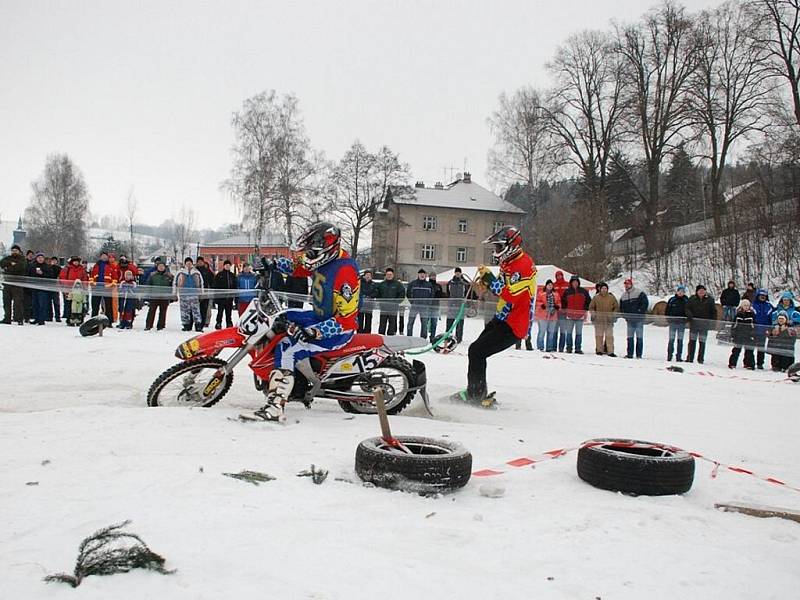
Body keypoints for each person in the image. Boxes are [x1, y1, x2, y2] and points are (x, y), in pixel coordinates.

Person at [254, 222, 360, 422]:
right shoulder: (322, 260)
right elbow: (298, 266)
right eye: (308, 252)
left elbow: (345, 320)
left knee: (288, 347)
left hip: (336, 330)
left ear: (326, 249)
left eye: (312, 253)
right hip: (319, 316)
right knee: (280, 319)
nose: (308, 256)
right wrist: (272, 264)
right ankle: (292, 377)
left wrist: (314, 333)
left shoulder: (345, 272)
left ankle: (276, 405)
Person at [462, 226, 536, 407]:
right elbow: (502, 288)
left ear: (510, 246)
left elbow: (511, 294)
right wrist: (486, 282)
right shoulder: (509, 262)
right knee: (476, 352)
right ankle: (477, 391)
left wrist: (491, 281)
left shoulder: (523, 266)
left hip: (514, 324)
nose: (496, 251)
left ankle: (476, 396)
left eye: (498, 247)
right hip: (502, 317)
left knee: (477, 351)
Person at [685, 284, 716, 364]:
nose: (702, 292)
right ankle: (690, 358)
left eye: (703, 291)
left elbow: (713, 311)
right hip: (694, 323)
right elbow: (687, 308)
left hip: (704, 324)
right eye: (700, 291)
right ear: (697, 291)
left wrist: (713, 322)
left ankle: (701, 359)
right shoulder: (692, 298)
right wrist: (689, 315)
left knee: (702, 342)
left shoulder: (710, 299)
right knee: (692, 341)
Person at [619, 277, 649, 359]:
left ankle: (639, 354)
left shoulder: (639, 293)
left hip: (639, 319)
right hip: (629, 320)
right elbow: (621, 308)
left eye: (628, 284)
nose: (626, 285)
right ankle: (630, 354)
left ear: (631, 284)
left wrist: (640, 312)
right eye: (625, 284)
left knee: (639, 337)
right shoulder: (623, 296)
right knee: (630, 337)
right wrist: (625, 316)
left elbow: (645, 303)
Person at [561, 275, 591, 354]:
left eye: (576, 282)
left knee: (579, 333)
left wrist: (585, 309)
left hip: (580, 315)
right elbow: (563, 301)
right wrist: (565, 309)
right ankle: (569, 348)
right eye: (573, 282)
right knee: (569, 333)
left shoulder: (583, 291)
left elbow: (588, 301)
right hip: (569, 315)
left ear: (578, 283)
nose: (575, 283)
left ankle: (578, 348)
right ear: (571, 283)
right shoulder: (567, 291)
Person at [173, 257, 204, 332]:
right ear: (185, 263)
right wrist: (174, 293)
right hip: (183, 294)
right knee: (184, 310)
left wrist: (202, 293)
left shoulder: (196, 272)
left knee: (196, 310)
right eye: (187, 262)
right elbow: (175, 283)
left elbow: (201, 283)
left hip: (194, 294)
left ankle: (198, 325)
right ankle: (186, 325)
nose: (189, 264)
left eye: (190, 262)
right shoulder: (180, 272)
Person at [588, 282, 618, 357]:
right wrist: (594, 314)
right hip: (599, 320)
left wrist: (613, 315)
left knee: (609, 337)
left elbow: (616, 307)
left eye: (605, 288)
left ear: (607, 289)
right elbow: (591, 307)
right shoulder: (596, 297)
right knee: (599, 336)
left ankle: (610, 351)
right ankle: (599, 350)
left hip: (609, 320)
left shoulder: (612, 297)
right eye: (602, 288)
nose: (604, 290)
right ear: (600, 289)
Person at [1, 244, 27, 325]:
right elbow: (1, 263)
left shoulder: (22, 259)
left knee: (18, 303)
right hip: (7, 284)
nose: (14, 252)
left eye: (16, 250)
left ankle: (19, 319)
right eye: (13, 250)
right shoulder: (8, 258)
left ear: (19, 251)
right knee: (6, 302)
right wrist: (11, 264)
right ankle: (7, 318)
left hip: (18, 284)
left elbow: (20, 267)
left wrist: (8, 268)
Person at [89, 251, 118, 323]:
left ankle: (109, 321)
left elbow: (115, 276)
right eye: (102, 256)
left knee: (108, 306)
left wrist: (113, 284)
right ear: (100, 257)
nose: (104, 257)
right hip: (97, 288)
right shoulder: (96, 265)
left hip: (107, 288)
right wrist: (92, 283)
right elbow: (92, 275)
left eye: (105, 256)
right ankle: (93, 320)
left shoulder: (111, 266)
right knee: (95, 305)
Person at [375, 267, 405, 335]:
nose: (389, 276)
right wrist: (380, 301)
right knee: (382, 323)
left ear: (393, 275)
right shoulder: (382, 284)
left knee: (392, 324)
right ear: (385, 275)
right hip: (383, 307)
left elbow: (402, 294)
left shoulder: (398, 284)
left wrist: (396, 303)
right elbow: (378, 294)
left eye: (390, 274)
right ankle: (381, 336)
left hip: (393, 308)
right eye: (388, 274)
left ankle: (390, 336)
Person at [59, 256, 88, 324]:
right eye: (74, 261)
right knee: (69, 305)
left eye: (77, 261)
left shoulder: (82, 269)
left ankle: (79, 319)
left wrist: (84, 288)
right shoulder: (67, 269)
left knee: (80, 305)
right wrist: (66, 287)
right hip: (69, 290)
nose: (76, 262)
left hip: (79, 290)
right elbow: (62, 278)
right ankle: (69, 319)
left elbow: (84, 279)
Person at [406, 268, 434, 338]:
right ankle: (409, 337)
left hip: (424, 307)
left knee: (424, 324)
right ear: (418, 275)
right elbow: (408, 293)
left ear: (425, 275)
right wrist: (412, 301)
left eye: (423, 274)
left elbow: (432, 295)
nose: (422, 275)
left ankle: (423, 338)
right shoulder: (412, 283)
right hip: (414, 306)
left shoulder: (429, 285)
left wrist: (428, 303)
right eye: (420, 274)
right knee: (410, 322)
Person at [145, 261, 173, 330]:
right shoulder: (152, 275)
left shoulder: (169, 276)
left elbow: (172, 286)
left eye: (162, 266)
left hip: (164, 297)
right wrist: (148, 294)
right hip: (154, 296)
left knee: (163, 312)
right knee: (151, 311)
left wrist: (171, 296)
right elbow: (148, 284)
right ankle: (148, 325)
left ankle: (161, 326)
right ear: (157, 267)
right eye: (159, 266)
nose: (161, 267)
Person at [729, 300, 756, 369]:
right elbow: (734, 325)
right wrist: (733, 335)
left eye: (747, 306)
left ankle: (749, 364)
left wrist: (753, 334)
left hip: (748, 335)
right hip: (739, 335)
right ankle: (732, 363)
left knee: (749, 351)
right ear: (742, 306)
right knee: (736, 350)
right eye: (745, 305)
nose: (746, 307)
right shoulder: (738, 314)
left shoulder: (752, 314)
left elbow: (754, 325)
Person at [535, 279, 561, 352]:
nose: (550, 286)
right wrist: (541, 305)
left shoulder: (556, 294)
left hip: (553, 315)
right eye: (548, 285)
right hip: (543, 315)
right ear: (546, 286)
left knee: (551, 332)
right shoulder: (541, 293)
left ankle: (549, 347)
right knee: (542, 331)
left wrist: (558, 306)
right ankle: (540, 347)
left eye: (551, 285)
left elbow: (559, 302)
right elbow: (537, 302)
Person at [665, 285, 689, 362]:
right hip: (673, 323)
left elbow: (689, 311)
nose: (680, 293)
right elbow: (667, 310)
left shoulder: (686, 300)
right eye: (679, 291)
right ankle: (669, 355)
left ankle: (679, 356)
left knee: (680, 340)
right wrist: (669, 319)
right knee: (671, 339)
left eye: (682, 292)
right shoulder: (672, 300)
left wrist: (686, 320)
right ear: (677, 292)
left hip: (681, 323)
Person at [751, 288, 773, 370]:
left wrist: (770, 329)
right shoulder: (753, 305)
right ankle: (751, 362)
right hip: (754, 330)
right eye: (761, 296)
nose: (762, 297)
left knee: (761, 349)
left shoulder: (769, 306)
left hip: (764, 330)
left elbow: (771, 319)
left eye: (764, 296)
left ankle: (760, 363)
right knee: (751, 348)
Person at [445, 267, 468, 343]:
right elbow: (448, 293)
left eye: (459, 272)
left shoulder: (465, 283)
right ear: (454, 273)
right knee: (449, 322)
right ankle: (448, 337)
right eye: (456, 272)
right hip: (452, 306)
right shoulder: (450, 282)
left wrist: (466, 300)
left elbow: (469, 293)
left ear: (461, 273)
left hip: (461, 306)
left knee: (460, 323)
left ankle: (458, 338)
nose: (458, 273)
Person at [213, 260, 237, 329]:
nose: (227, 267)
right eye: (226, 265)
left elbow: (235, 286)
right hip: (221, 298)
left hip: (229, 298)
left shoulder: (232, 275)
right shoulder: (219, 275)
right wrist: (216, 298)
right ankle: (218, 323)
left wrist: (234, 296)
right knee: (220, 312)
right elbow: (215, 286)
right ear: (224, 266)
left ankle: (229, 323)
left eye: (229, 265)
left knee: (229, 312)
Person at [28, 252, 50, 325]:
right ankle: (36, 318)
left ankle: (41, 319)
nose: (40, 259)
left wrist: (42, 273)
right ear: (36, 258)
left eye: (41, 258)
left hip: (43, 289)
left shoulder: (47, 267)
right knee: (35, 304)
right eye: (39, 258)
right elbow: (29, 275)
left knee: (42, 304)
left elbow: (51, 276)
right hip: (34, 288)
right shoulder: (32, 266)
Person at [552, 270, 570, 352]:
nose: (559, 277)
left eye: (560, 275)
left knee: (563, 330)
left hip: (563, 311)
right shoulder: (553, 285)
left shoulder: (567, 284)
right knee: (554, 330)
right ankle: (553, 346)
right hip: (555, 311)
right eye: (557, 275)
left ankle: (561, 347)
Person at [195, 256, 215, 327]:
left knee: (205, 308)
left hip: (205, 292)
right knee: (196, 308)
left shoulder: (207, 271)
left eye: (201, 261)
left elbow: (212, 281)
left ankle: (204, 322)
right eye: (198, 261)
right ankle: (197, 321)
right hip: (195, 292)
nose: (200, 263)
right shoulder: (194, 271)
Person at [427, 272, 444, 343]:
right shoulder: (427, 285)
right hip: (427, 306)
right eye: (432, 276)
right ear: (429, 277)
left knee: (434, 323)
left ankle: (432, 336)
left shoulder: (438, 286)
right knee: (425, 322)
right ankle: (423, 336)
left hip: (436, 306)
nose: (433, 277)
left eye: (434, 276)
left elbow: (441, 295)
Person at [46, 257, 62, 322]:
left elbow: (60, 275)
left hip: (55, 287)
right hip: (48, 287)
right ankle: (49, 316)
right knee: (48, 303)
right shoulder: (46, 268)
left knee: (56, 303)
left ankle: (57, 316)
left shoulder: (57, 268)